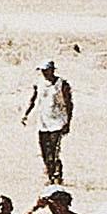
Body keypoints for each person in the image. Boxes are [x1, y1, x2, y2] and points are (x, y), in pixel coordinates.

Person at [22, 60, 76, 189]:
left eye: (46, 70)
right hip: (43, 123)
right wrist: (26, 114)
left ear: (52, 70)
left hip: (57, 123)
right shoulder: (39, 84)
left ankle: (56, 176)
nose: (44, 73)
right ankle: (50, 175)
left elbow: (69, 104)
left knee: (54, 151)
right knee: (44, 151)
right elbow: (34, 100)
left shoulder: (62, 84)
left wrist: (68, 122)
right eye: (42, 71)